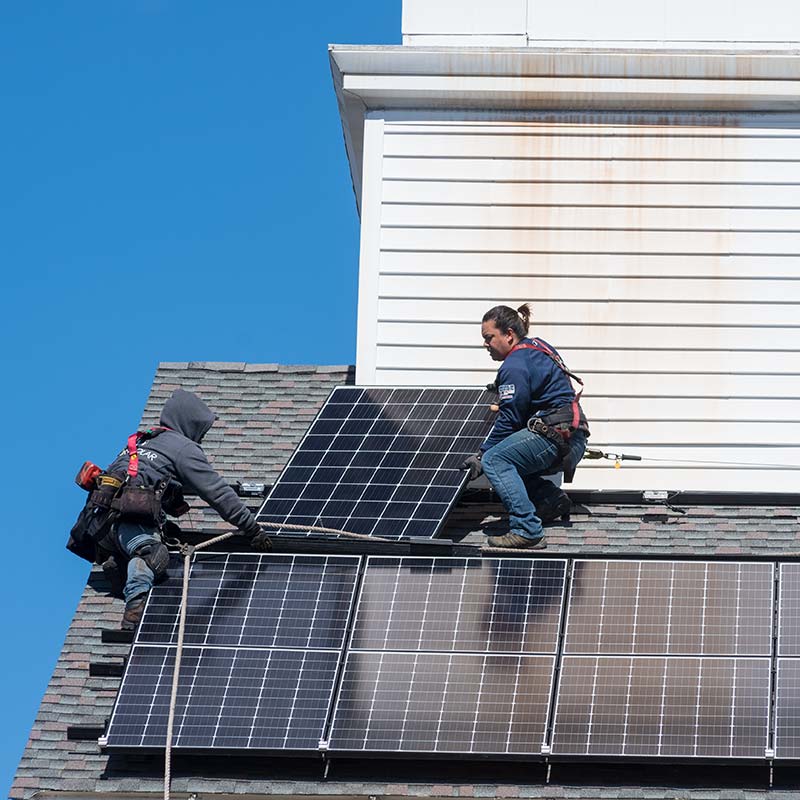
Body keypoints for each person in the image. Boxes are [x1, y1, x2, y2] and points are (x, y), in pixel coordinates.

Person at [68, 388, 271, 629]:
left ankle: (119, 563)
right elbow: (218, 492)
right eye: (201, 430)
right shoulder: (183, 448)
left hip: (99, 527)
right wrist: (252, 528)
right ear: (190, 424)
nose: (202, 437)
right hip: (130, 525)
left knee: (169, 535)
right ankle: (133, 615)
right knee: (153, 555)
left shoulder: (143, 440)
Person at [462, 304, 590, 549]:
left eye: (489, 338)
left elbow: (510, 418)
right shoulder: (537, 347)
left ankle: (527, 529)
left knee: (496, 461)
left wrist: (482, 453)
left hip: (556, 435)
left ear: (508, 334)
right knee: (512, 456)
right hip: (573, 438)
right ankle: (550, 500)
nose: (485, 344)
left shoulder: (514, 365)